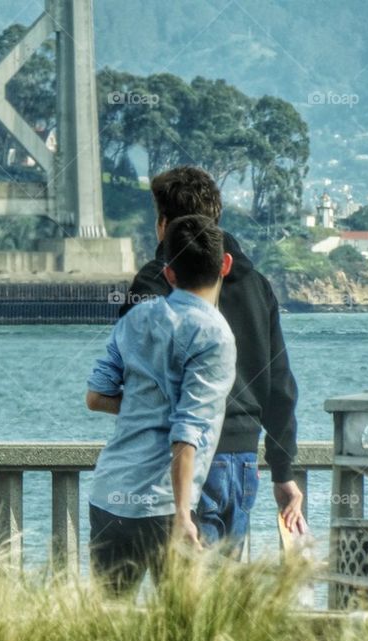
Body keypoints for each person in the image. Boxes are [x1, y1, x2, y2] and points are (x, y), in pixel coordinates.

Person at [119, 166, 304, 558]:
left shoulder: (154, 284)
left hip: (183, 460)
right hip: (242, 464)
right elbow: (280, 384)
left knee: (184, 588)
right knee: (223, 589)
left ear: (164, 224)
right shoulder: (257, 284)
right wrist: (283, 471)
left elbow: (127, 373)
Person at [87, 215, 236, 597]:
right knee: (181, 624)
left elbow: (96, 395)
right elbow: (187, 432)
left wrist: (142, 407)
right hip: (165, 505)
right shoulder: (215, 335)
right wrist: (184, 513)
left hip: (109, 494)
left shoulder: (137, 317)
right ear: (225, 265)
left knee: (104, 622)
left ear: (168, 273)